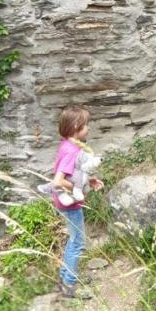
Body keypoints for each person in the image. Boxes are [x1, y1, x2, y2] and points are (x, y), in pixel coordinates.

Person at [49, 105, 103, 299]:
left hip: (65, 202)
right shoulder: (72, 150)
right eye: (86, 125)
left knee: (73, 240)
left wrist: (88, 180)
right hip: (70, 204)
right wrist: (79, 189)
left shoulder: (67, 144)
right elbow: (58, 180)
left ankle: (65, 276)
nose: (88, 128)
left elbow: (71, 175)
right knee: (78, 243)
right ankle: (69, 286)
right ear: (75, 127)